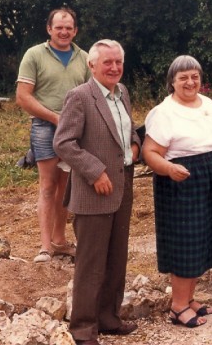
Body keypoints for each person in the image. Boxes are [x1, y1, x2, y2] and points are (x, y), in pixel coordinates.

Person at [53, 39, 140, 345]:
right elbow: (63, 143)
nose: (114, 68)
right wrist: (94, 171)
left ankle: (108, 318)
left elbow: (127, 131)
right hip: (94, 191)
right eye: (107, 63)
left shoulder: (123, 93)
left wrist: (134, 145)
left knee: (116, 259)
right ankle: (83, 328)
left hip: (122, 188)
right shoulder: (79, 97)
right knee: (91, 264)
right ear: (92, 65)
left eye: (118, 62)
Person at [142, 55, 212, 328]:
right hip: (182, 181)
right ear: (172, 81)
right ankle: (178, 306)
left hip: (211, 176)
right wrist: (169, 169)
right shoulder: (164, 112)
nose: (190, 81)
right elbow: (149, 152)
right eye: (183, 77)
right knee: (187, 241)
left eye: (194, 76)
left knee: (204, 239)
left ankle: (188, 298)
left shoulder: (207, 104)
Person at [16, 7, 91, 263]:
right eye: (59, 27)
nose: (64, 31)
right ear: (49, 29)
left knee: (66, 187)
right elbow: (23, 96)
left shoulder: (84, 57)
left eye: (68, 27)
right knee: (48, 186)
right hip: (45, 127)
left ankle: (60, 242)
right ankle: (45, 248)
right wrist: (54, 118)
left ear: (75, 30)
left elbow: (93, 93)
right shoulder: (34, 55)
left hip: (76, 128)